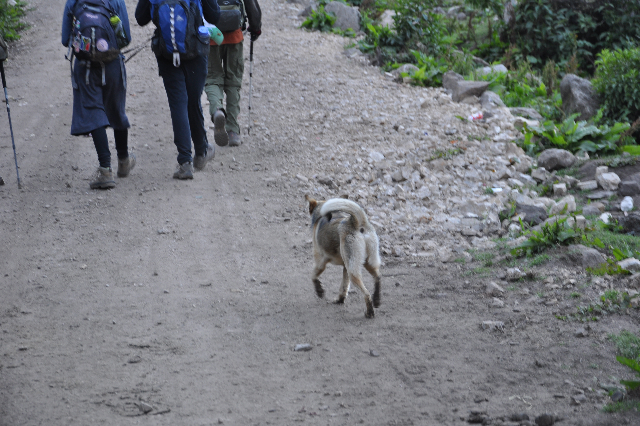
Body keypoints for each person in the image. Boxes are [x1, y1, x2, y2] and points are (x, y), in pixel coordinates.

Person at [135, 0, 220, 180]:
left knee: (178, 104)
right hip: (195, 51)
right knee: (193, 101)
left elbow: (140, 19)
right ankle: (201, 152)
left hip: (167, 54)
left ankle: (185, 162)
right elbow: (214, 16)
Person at [62, 0, 136, 189]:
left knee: (94, 111)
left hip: (85, 67)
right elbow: (125, 38)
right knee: (116, 109)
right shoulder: (116, 1)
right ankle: (123, 161)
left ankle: (105, 170)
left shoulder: (73, 1)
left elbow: (65, 39)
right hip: (112, 65)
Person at [205, 0, 261, 147]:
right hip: (234, 35)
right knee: (233, 81)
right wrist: (256, 27)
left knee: (212, 79)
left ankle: (217, 110)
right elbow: (251, 4)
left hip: (211, 35)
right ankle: (232, 131)